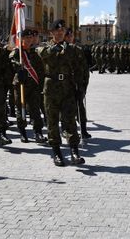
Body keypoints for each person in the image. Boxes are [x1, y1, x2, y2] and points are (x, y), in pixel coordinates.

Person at [36, 19, 85, 166]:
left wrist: (80, 88)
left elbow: (79, 70)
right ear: (51, 33)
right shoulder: (44, 48)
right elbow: (42, 54)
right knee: (52, 121)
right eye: (56, 31)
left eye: (62, 31)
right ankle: (56, 152)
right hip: (51, 87)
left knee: (70, 120)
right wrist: (55, 48)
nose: (59, 33)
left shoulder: (72, 49)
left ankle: (74, 151)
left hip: (68, 88)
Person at [9, 29, 46, 144]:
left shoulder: (35, 52)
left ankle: (38, 132)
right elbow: (11, 62)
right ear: (22, 39)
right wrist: (18, 68)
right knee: (21, 109)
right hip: (21, 84)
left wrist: (41, 83)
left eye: (31, 38)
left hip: (33, 85)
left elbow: (40, 69)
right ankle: (22, 132)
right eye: (27, 38)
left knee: (35, 109)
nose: (29, 40)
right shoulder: (17, 52)